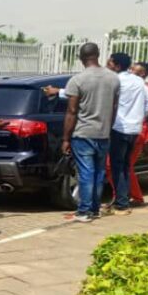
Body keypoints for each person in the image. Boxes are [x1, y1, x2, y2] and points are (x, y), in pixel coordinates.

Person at [56, 43, 120, 223]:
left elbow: (72, 111)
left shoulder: (78, 80)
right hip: (103, 133)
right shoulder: (113, 78)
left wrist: (66, 139)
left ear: (81, 58)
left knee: (86, 173)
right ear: (98, 55)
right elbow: (114, 107)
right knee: (99, 173)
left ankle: (83, 211)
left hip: (83, 133)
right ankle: (94, 208)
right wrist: (108, 126)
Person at [105, 53, 148, 216]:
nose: (107, 65)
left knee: (117, 167)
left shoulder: (115, 81)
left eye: (110, 63)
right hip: (134, 129)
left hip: (119, 128)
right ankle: (123, 200)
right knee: (125, 166)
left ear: (117, 66)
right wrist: (138, 116)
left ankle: (122, 204)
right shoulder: (138, 81)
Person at [122, 61, 148, 205]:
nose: (130, 72)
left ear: (143, 74)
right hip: (121, 129)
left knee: (125, 165)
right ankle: (122, 196)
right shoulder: (125, 85)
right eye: (130, 69)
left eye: (134, 70)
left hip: (139, 132)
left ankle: (135, 197)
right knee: (113, 165)